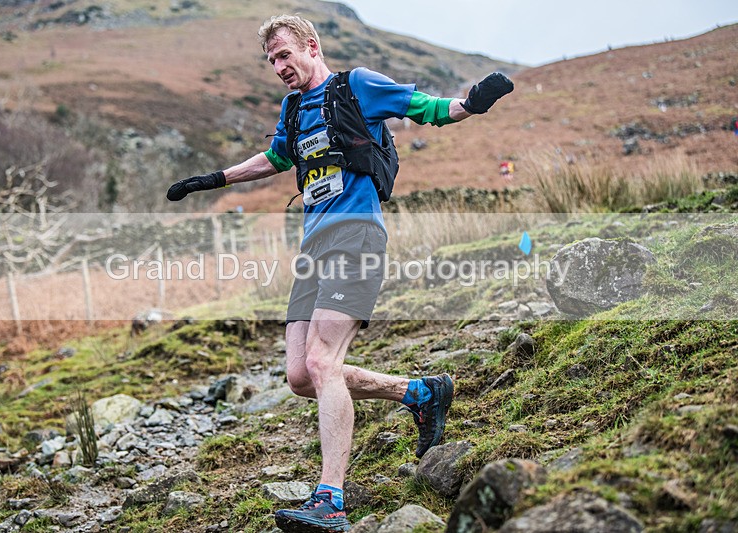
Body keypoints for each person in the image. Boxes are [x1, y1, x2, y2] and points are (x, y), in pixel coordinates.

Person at [167, 14, 513, 533]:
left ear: (311, 46)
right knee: (302, 376)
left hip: (356, 238)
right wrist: (213, 179)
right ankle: (419, 393)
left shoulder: (358, 86)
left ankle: (330, 499)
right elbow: (276, 157)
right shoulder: (292, 109)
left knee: (324, 362)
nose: (279, 67)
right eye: (271, 61)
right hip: (313, 249)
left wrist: (471, 103)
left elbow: (427, 108)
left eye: (285, 55)